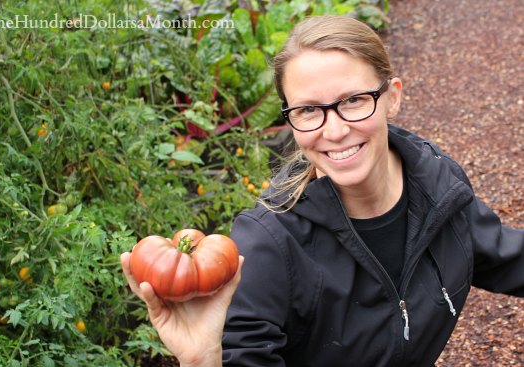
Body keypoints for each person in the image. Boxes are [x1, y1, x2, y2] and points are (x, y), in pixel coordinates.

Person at [121, 15, 524, 367]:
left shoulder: (435, 184)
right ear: (290, 120)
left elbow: (501, 255)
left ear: (393, 97)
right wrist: (203, 362)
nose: (333, 131)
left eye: (353, 100)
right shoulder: (269, 245)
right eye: (309, 110)